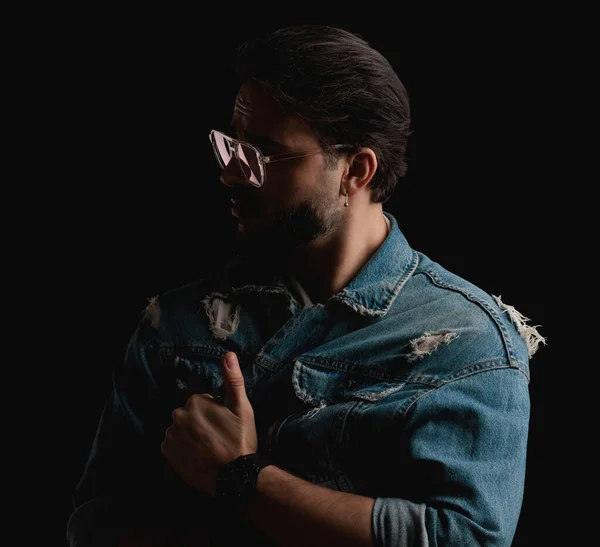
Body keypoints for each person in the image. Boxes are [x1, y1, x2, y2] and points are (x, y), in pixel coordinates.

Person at [67, 24, 545, 547]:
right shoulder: (178, 322)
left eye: (264, 154)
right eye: (231, 146)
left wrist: (241, 479)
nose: (232, 174)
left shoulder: (463, 343)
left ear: (355, 171)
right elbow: (96, 521)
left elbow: (463, 538)